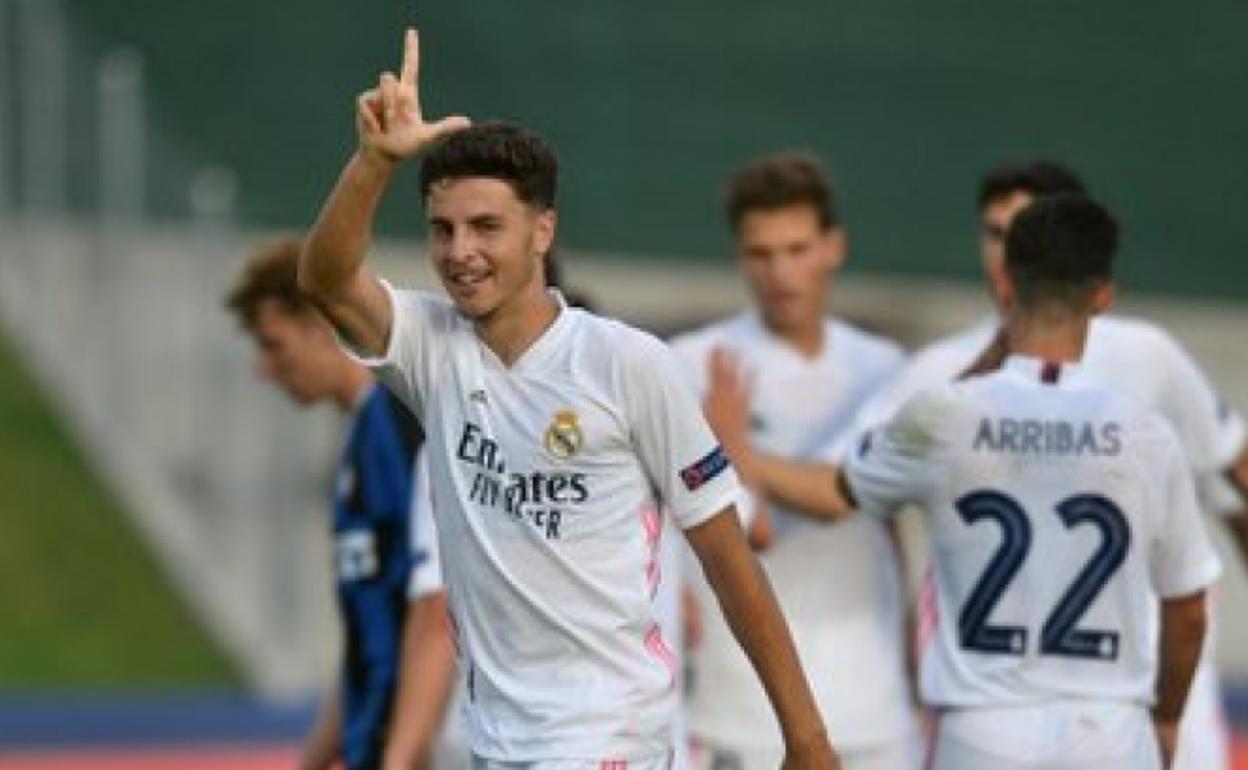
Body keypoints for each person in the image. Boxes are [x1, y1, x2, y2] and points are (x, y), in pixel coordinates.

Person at [296, 28, 839, 770]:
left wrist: (805, 736)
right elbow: (325, 281)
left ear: (542, 230)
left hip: (607, 734)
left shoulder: (626, 364)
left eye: (486, 227)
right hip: (496, 738)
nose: (460, 252)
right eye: (443, 229)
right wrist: (373, 162)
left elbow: (727, 558)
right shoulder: (431, 347)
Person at [713, 161, 1248, 769]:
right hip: (1112, 722)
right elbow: (1189, 606)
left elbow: (840, 488)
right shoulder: (1148, 435)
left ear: (1008, 285)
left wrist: (733, 449)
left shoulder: (944, 410)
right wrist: (1167, 715)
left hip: (986, 725)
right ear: (1101, 295)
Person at [669, 153, 917, 770]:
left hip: (870, 707)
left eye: (797, 249)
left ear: (834, 247)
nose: (781, 272)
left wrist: (736, 454)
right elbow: (738, 530)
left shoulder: (883, 368)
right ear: (739, 257)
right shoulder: (692, 362)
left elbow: (854, 502)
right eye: (761, 253)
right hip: (737, 712)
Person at [224, 236, 455, 770]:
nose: (264, 368)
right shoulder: (362, 433)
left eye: (272, 343)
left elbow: (433, 606)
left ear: (320, 324)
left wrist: (402, 753)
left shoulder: (398, 424)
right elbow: (368, 635)